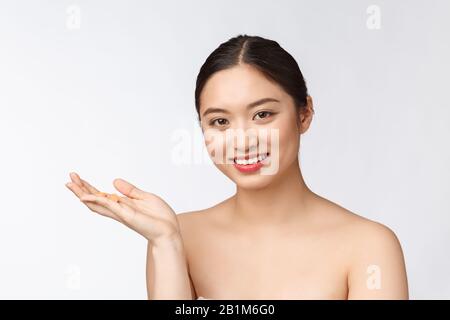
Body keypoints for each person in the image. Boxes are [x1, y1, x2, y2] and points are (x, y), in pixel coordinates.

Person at [66, 34, 408, 300]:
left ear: (304, 114)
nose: (242, 141)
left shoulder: (368, 245)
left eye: (263, 114)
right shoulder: (180, 236)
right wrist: (166, 243)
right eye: (219, 121)